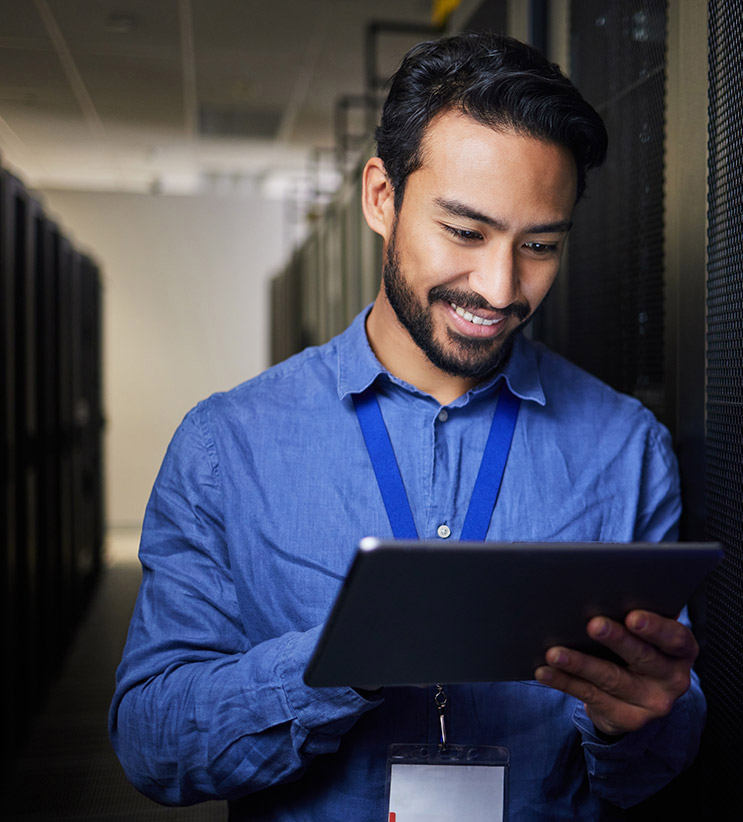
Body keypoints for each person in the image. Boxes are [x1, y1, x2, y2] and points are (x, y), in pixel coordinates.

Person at [109, 31, 704, 821]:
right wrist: (340, 660)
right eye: (465, 232)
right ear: (381, 197)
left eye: (540, 246)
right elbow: (153, 744)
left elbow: (648, 769)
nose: (499, 287)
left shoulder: (625, 449)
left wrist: (640, 723)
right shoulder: (228, 445)